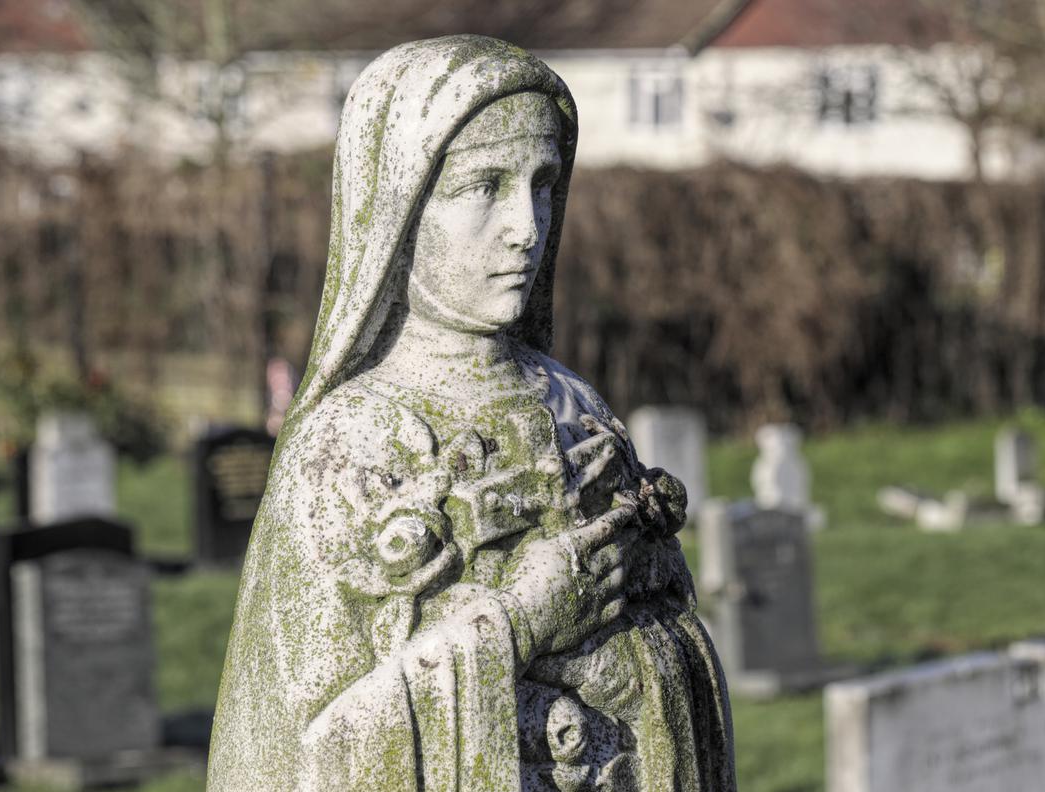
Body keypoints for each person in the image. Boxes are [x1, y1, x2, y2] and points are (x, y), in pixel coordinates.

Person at [208, 36, 734, 792]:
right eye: (484, 186)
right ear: (400, 208)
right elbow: (304, 753)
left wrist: (625, 660)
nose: (526, 225)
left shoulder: (575, 407)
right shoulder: (350, 441)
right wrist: (519, 623)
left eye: (543, 183)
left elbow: (672, 629)